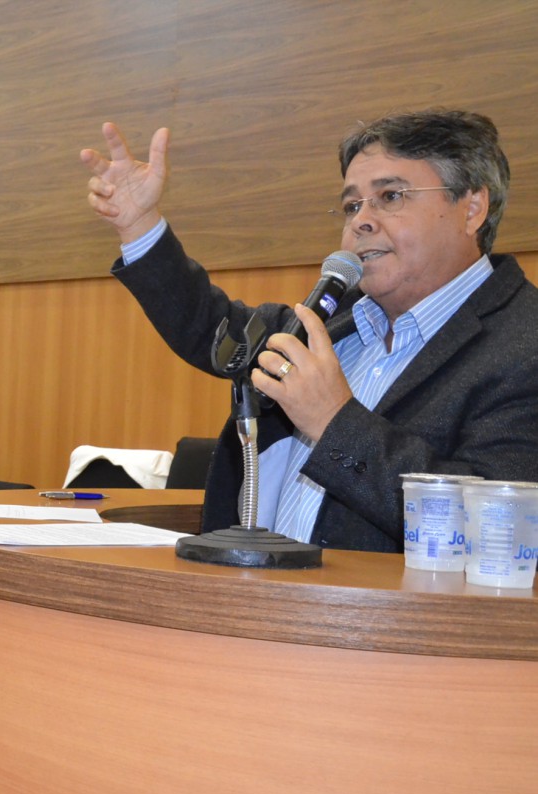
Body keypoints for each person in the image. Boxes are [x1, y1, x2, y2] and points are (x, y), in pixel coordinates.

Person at [80, 111, 538, 552]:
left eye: (391, 196)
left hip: (390, 626)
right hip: (254, 607)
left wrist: (333, 421)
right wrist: (139, 224)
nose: (361, 219)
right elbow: (211, 330)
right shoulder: (331, 321)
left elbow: (495, 530)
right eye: (352, 204)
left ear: (472, 207)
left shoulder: (525, 343)